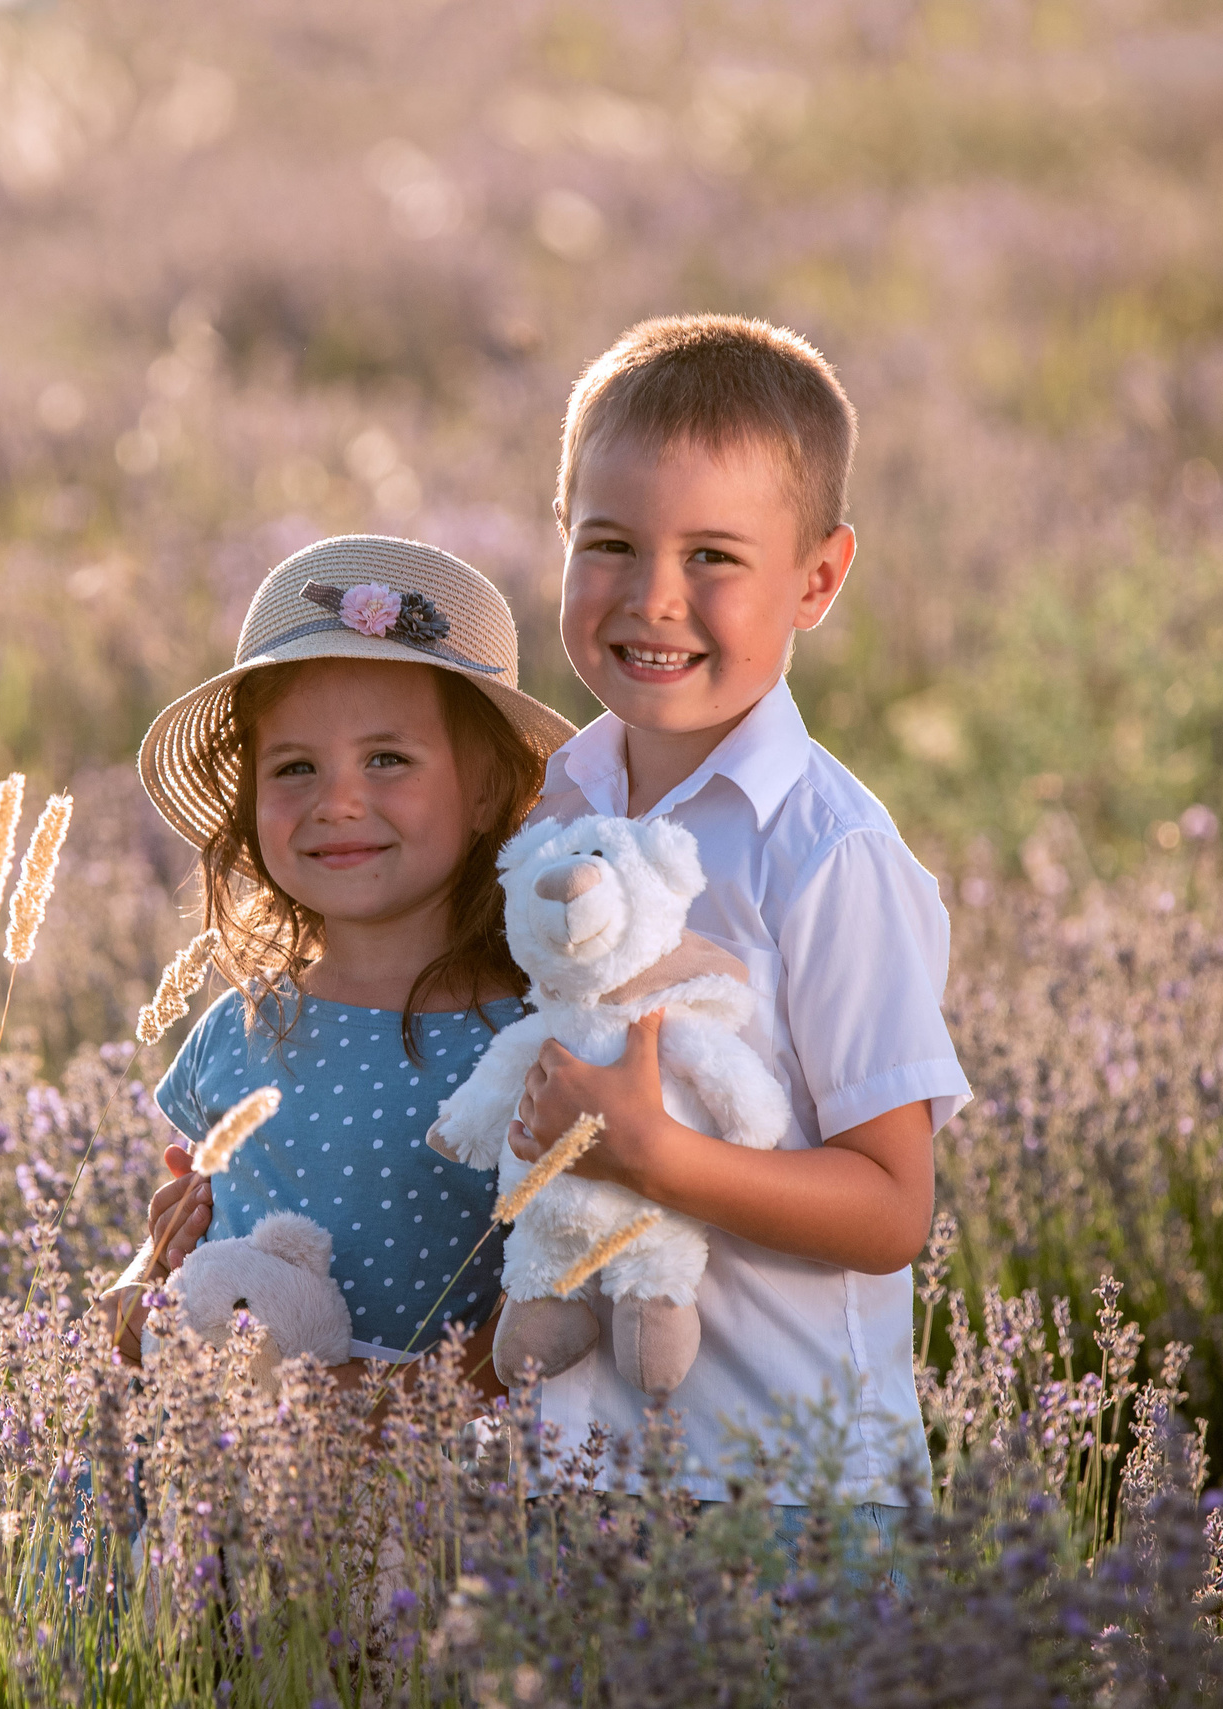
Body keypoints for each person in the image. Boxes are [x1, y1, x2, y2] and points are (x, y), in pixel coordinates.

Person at [504, 313, 970, 1532]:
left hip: (787, 1482)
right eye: (609, 543)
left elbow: (889, 1206)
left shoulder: (823, 852)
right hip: (575, 1472)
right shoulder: (555, 802)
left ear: (816, 578)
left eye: (714, 555)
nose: (654, 598)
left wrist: (656, 1158)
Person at [97, 535, 576, 1394]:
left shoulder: (526, 1039)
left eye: (387, 758)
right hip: (226, 1481)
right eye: (294, 767)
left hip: (432, 1483)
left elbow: (549, 1284)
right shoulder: (242, 1021)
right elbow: (196, 1234)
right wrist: (142, 1285)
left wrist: (387, 1415)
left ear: (482, 792)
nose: (338, 800)